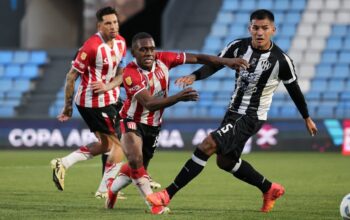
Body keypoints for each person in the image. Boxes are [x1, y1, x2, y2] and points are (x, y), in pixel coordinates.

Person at [146, 9, 318, 213]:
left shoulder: (281, 61)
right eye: (256, 28)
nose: (260, 33)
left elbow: (294, 90)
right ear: (250, 28)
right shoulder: (238, 46)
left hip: (251, 116)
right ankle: (269, 188)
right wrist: (194, 76)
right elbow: (215, 64)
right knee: (225, 161)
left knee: (207, 145)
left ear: (273, 29)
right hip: (233, 112)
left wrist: (307, 117)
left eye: (264, 28)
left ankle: (167, 194)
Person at [104, 32, 249, 214]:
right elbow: (149, 103)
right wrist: (179, 97)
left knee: (138, 167)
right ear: (133, 53)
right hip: (130, 120)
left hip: (153, 125)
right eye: (143, 50)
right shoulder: (130, 74)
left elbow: (197, 57)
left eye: (151, 48)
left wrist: (227, 61)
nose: (149, 53)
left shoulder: (164, 58)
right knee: (135, 159)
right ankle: (154, 205)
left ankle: (112, 190)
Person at [50, 6, 126, 195]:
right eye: (108, 23)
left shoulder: (121, 42)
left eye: (115, 22)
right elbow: (70, 77)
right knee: (120, 146)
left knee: (107, 145)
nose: (113, 26)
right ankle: (105, 189)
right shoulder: (91, 46)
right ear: (99, 25)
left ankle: (63, 163)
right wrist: (67, 107)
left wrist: (111, 86)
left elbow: (121, 72)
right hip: (92, 102)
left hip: (112, 98)